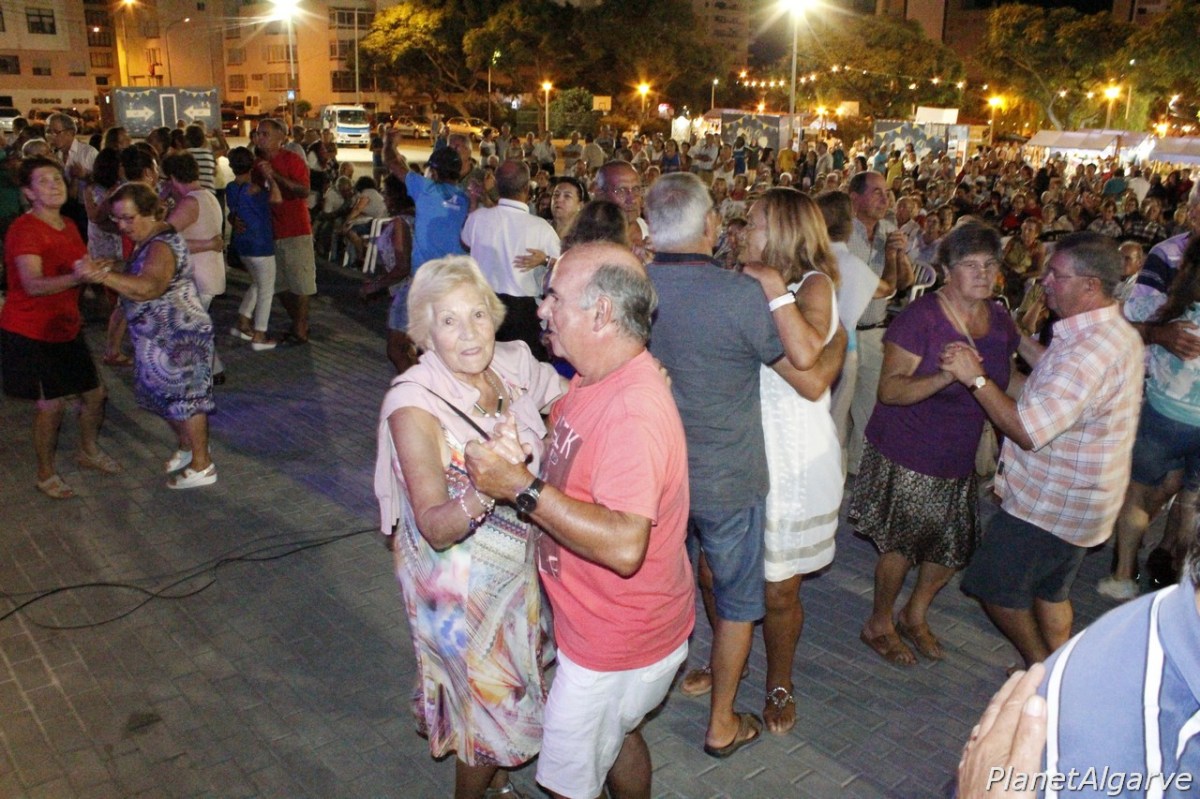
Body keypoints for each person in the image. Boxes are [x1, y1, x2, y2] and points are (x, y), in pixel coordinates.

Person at [466, 241, 695, 796]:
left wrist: (518, 487)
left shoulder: (632, 409)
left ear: (601, 313)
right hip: (607, 632)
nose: (541, 308)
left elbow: (624, 545)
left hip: (613, 648)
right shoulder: (595, 377)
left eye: (554, 297)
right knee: (619, 737)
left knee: (567, 784)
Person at [644, 173, 824, 757]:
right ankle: (722, 721)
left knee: (676, 583)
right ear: (710, 225)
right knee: (740, 602)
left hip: (657, 476)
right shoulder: (739, 294)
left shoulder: (631, 286)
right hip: (728, 478)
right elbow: (806, 369)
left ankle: (646, 690)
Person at [373, 255, 564, 799]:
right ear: (425, 333)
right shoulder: (412, 405)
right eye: (449, 320)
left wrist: (626, 380)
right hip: (458, 589)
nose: (469, 333)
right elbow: (434, 525)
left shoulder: (512, 364)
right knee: (488, 712)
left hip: (516, 576)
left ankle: (499, 788)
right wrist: (491, 485)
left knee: (495, 701)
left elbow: (574, 400)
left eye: (477, 314)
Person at [946, 232, 1144, 667]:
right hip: (1084, 499)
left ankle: (1042, 673)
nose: (1044, 281)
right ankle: (1062, 669)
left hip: (1051, 505)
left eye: (1056, 275)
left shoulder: (1087, 353)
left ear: (1090, 285)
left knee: (993, 588)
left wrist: (974, 376)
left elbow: (1027, 431)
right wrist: (1014, 335)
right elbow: (1053, 373)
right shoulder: (1105, 331)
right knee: (1050, 591)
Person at [852, 224, 1020, 666]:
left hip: (959, 453)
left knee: (951, 546)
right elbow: (890, 390)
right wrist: (947, 376)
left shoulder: (999, 317)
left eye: (990, 264)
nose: (982, 273)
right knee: (902, 547)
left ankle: (915, 613)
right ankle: (879, 623)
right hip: (909, 450)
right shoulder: (921, 318)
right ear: (946, 270)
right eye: (970, 264)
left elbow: (1007, 378)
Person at [740, 188, 846, 733]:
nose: (742, 229)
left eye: (754, 221)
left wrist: (770, 284)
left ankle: (779, 681)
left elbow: (806, 364)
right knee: (716, 572)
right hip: (740, 446)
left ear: (783, 230)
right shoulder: (740, 280)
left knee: (780, 587)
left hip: (792, 455)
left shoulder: (812, 284)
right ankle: (728, 663)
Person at [76, 182, 217, 489]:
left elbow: (149, 287)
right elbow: (143, 272)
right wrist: (117, 265)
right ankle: (188, 447)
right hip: (158, 338)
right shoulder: (149, 238)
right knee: (162, 398)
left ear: (152, 212)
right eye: (117, 219)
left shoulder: (161, 244)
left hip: (179, 338)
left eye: (129, 218)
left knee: (187, 402)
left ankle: (202, 465)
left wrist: (103, 276)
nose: (122, 226)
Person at [0, 156, 121, 498]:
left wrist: (97, 270)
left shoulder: (67, 224)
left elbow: (79, 266)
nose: (54, 185)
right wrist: (79, 277)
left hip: (64, 327)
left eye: (57, 178)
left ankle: (88, 451)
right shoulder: (24, 229)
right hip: (31, 331)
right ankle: (45, 473)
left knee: (96, 395)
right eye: (44, 181)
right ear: (28, 193)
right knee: (51, 405)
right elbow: (33, 284)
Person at [1099, 235, 1200, 601]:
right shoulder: (1165, 306)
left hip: (1163, 418)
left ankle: (1123, 576)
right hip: (1178, 420)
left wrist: (1156, 333)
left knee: (1139, 494)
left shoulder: (1166, 308)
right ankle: (1182, 587)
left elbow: (1116, 324)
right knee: (1192, 502)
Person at [846, 170, 915, 474]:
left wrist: (897, 255)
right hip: (844, 334)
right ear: (854, 198)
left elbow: (905, 281)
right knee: (838, 408)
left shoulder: (889, 229)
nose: (884, 199)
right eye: (876, 192)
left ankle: (859, 472)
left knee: (870, 408)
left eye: (886, 192)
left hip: (875, 332)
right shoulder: (843, 234)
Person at [460, 159, 560, 361]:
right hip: (520, 313)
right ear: (527, 188)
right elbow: (562, 267)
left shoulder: (479, 218)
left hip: (483, 306)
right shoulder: (541, 228)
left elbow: (465, 241)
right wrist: (546, 260)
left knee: (483, 364)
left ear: (497, 186)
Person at [162, 153, 227, 382]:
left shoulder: (190, 202)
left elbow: (166, 239)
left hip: (198, 278)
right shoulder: (208, 196)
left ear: (172, 178)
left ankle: (199, 377)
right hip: (207, 276)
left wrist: (161, 203)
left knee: (186, 329)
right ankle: (214, 371)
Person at [254, 119, 315, 345]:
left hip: (296, 229)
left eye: (265, 134)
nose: (260, 138)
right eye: (258, 134)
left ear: (281, 137)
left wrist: (275, 176)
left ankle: (300, 328)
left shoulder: (292, 160)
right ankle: (299, 323)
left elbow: (304, 190)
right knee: (278, 285)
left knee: (301, 283)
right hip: (271, 230)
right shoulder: (258, 164)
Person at [358, 174, 417, 373]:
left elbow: (402, 266)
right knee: (410, 348)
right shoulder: (416, 218)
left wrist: (375, 286)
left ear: (396, 195)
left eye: (386, 192)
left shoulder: (401, 222)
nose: (383, 197)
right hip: (414, 288)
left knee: (396, 349)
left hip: (406, 290)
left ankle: (415, 387)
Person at [225, 146, 281, 351]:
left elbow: (233, 212)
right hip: (261, 244)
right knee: (266, 289)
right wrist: (271, 179)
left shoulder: (231, 188)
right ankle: (259, 334)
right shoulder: (255, 190)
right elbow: (277, 199)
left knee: (258, 283)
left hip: (243, 244)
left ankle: (243, 320)